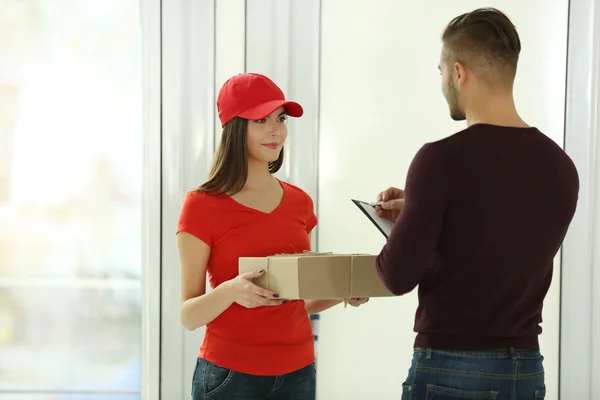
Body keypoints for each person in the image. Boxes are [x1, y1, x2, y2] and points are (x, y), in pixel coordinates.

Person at [374, 8, 579, 400]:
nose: (442, 83)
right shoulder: (561, 167)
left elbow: (396, 276)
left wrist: (415, 216)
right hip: (526, 372)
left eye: (440, 72)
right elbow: (499, 235)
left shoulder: (439, 160)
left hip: (450, 367)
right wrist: (425, 207)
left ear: (458, 73)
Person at [176, 72, 368, 400]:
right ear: (235, 127)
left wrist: (343, 291)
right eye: (261, 119)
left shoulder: (300, 203)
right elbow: (188, 314)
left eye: (280, 118)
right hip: (230, 376)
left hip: (298, 371)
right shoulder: (202, 205)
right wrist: (232, 291)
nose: (276, 130)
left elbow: (294, 303)